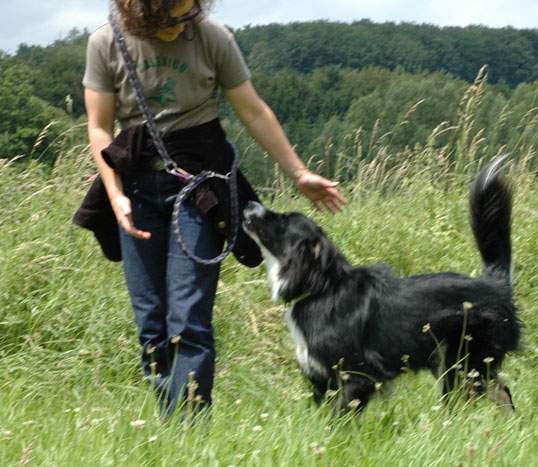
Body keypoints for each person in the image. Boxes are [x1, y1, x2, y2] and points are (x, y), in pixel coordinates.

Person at [80, 0, 346, 415]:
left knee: (188, 320)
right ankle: (170, 423)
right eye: (173, 16)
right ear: (144, 9)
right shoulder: (105, 42)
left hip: (202, 186)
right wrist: (115, 196)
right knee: (152, 324)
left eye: (191, 12)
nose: (184, 23)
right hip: (136, 185)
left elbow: (253, 110)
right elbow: (99, 127)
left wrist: (298, 172)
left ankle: (188, 428)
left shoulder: (212, 36)